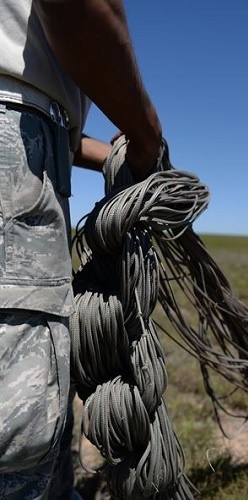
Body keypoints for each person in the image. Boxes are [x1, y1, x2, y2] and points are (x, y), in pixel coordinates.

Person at [0, 1, 162, 498]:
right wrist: (144, 132)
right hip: (16, 143)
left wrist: (112, 153)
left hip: (35, 132)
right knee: (18, 424)